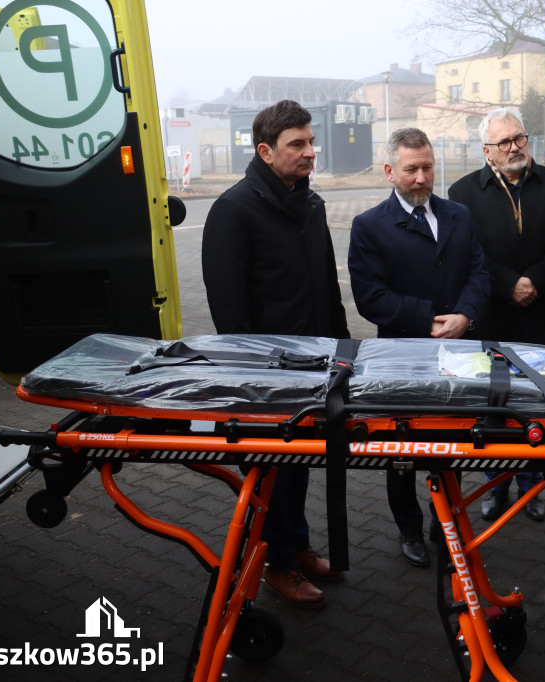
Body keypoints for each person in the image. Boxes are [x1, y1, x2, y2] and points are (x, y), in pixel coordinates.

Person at [201, 99, 350, 609]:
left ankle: (296, 546)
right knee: (271, 474)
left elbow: (326, 284)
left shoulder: (310, 203)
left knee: (298, 465)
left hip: (314, 366)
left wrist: (343, 347)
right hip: (266, 376)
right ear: (265, 151)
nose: (310, 152)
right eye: (297, 144)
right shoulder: (233, 210)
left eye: (311, 141)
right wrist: (253, 375)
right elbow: (228, 311)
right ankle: (276, 564)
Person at [348, 128, 490, 567]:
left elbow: (479, 273)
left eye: (427, 167)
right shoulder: (369, 226)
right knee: (401, 449)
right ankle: (408, 528)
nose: (421, 178)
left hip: (457, 352)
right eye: (411, 169)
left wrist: (465, 315)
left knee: (451, 443)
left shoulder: (459, 215)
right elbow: (370, 297)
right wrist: (428, 319)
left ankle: (443, 524)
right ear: (390, 171)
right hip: (401, 357)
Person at [448, 107, 545, 522]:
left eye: (519, 138)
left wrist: (535, 279)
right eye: (503, 142)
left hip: (538, 313)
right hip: (492, 314)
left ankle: (532, 485)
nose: (514, 147)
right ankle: (496, 483)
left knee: (538, 402)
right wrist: (508, 284)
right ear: (487, 151)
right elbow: (469, 252)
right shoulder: (462, 192)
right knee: (494, 405)